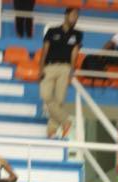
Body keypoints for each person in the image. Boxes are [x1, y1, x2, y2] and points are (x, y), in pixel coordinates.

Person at [38, 7, 83, 140]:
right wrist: (41, 68)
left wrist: (71, 72)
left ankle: (51, 131)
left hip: (65, 68)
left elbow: (75, 53)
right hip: (49, 66)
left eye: (77, 16)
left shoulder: (78, 34)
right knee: (45, 95)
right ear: (66, 16)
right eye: (73, 15)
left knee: (59, 100)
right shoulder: (52, 31)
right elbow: (45, 50)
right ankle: (66, 121)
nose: (75, 18)